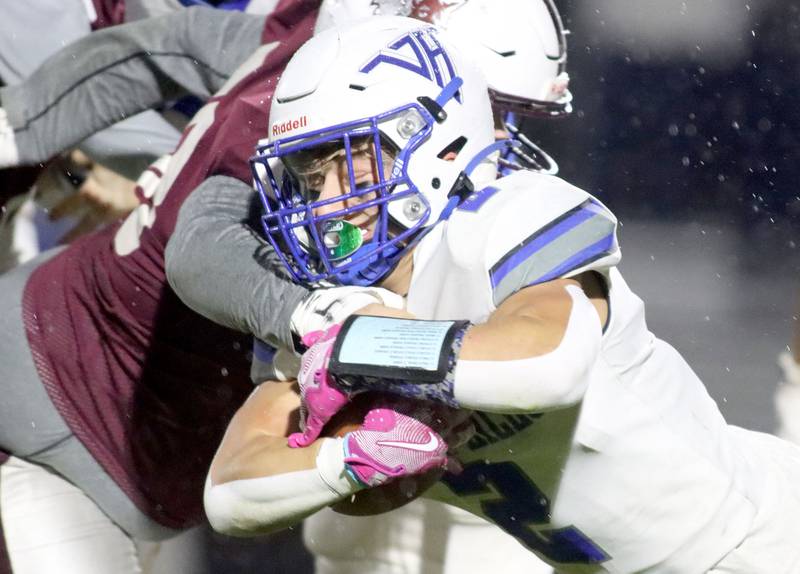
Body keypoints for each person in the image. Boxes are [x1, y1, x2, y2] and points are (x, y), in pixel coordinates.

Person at [204, 16, 800, 573]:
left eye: (355, 158)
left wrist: (355, 345)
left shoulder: (505, 218)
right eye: (309, 171)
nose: (326, 197)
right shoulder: (325, 296)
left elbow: (548, 364)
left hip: (763, 542)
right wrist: (351, 462)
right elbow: (231, 490)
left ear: (438, 144)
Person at [0, 2, 569, 572]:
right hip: (62, 407)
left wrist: (22, 129)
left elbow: (173, 42)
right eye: (488, 108)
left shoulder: (315, 62)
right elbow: (201, 247)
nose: (500, 139)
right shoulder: (310, 131)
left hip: (131, 443)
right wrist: (324, 314)